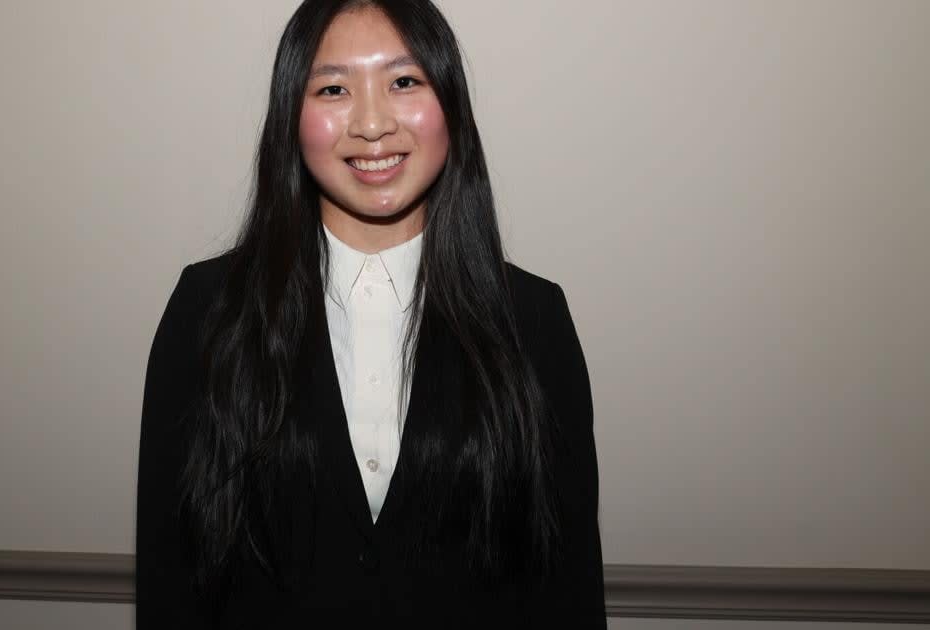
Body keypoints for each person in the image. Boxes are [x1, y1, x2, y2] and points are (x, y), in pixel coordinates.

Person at [135, 0, 606, 627]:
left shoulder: (534, 319)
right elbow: (172, 581)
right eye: (333, 88)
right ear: (290, 118)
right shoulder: (207, 310)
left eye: (404, 81)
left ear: (452, 107)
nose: (373, 123)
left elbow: (565, 589)